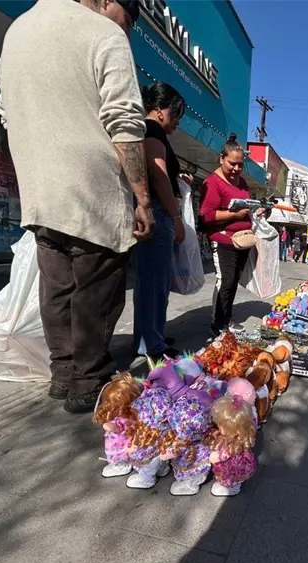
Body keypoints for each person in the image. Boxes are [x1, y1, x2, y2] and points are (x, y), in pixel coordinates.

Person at [0, 0, 153, 413]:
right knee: (95, 287)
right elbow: (124, 121)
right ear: (107, 1)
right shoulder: (103, 34)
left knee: (57, 287)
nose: (129, 29)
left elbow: (6, 112)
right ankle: (89, 379)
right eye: (130, 18)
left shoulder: (18, 31)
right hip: (93, 192)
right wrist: (142, 196)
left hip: (41, 192)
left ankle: (63, 374)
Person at [133, 82, 186, 361]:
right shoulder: (152, 130)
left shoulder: (148, 130)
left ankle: (149, 337)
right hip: (158, 211)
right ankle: (152, 344)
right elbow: (158, 175)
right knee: (155, 281)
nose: (176, 121)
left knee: (150, 280)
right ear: (160, 110)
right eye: (175, 114)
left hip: (154, 209)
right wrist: (176, 218)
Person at [200, 134, 268, 337]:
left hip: (242, 241)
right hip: (223, 240)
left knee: (233, 280)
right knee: (225, 281)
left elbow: (246, 206)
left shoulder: (242, 183)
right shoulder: (212, 183)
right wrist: (234, 214)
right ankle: (217, 323)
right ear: (221, 158)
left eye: (240, 165)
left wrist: (254, 212)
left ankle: (227, 319)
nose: (236, 169)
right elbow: (206, 216)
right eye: (232, 164)